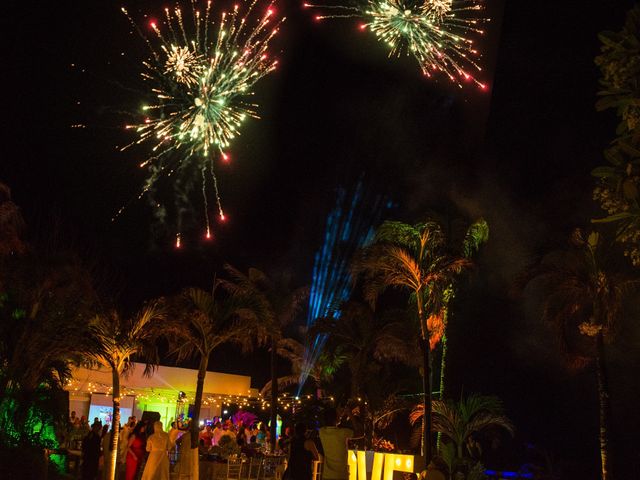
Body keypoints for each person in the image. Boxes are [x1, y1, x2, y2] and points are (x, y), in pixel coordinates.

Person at [319, 408, 353, 480]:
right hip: (341, 475)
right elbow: (360, 432)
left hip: (327, 475)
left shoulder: (322, 432)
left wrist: (337, 416)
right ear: (335, 419)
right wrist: (350, 415)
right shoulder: (343, 432)